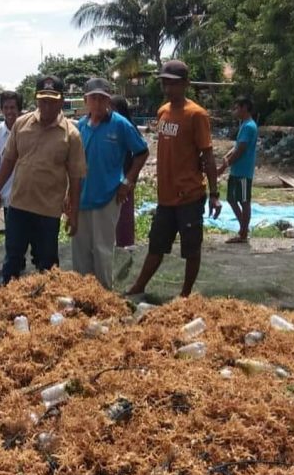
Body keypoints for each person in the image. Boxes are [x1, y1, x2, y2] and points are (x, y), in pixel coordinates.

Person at [126, 60, 221, 298]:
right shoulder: (163, 112)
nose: (169, 89)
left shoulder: (196, 115)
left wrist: (214, 194)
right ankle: (139, 286)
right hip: (165, 197)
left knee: (191, 248)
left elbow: (208, 156)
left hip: (189, 195)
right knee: (156, 244)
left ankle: (186, 295)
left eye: (174, 84)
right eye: (165, 83)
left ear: (186, 84)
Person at [0, 75, 86, 283]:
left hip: (48, 211)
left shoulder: (71, 134)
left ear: (61, 101)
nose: (47, 105)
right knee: (12, 260)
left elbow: (76, 177)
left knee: (48, 264)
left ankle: (49, 308)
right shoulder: (21, 125)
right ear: (36, 99)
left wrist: (73, 213)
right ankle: (6, 303)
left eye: (52, 100)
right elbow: (8, 161)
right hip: (18, 206)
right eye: (43, 100)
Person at [72, 78, 148, 289]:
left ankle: (104, 294)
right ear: (85, 100)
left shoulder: (120, 124)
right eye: (93, 98)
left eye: (102, 99)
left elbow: (142, 151)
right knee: (80, 250)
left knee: (103, 249)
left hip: (107, 196)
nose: (97, 103)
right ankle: (82, 294)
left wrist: (128, 180)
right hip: (82, 197)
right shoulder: (80, 127)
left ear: (108, 101)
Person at [217, 96, 258, 243]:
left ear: (244, 108)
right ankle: (243, 228)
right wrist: (226, 157)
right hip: (237, 170)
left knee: (244, 201)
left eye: (237, 108)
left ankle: (243, 233)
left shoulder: (249, 126)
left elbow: (240, 150)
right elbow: (236, 146)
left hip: (243, 171)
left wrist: (224, 166)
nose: (235, 111)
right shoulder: (244, 125)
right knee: (231, 198)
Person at [111, 95, 140, 249]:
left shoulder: (128, 128)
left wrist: (130, 178)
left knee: (124, 217)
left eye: (112, 108)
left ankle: (126, 246)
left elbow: (140, 153)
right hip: (111, 179)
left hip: (125, 178)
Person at [0, 90, 22, 209]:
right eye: (5, 108)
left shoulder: (28, 131)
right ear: (1, 110)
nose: (9, 111)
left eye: (12, 107)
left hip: (27, 198)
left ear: (19, 109)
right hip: (7, 197)